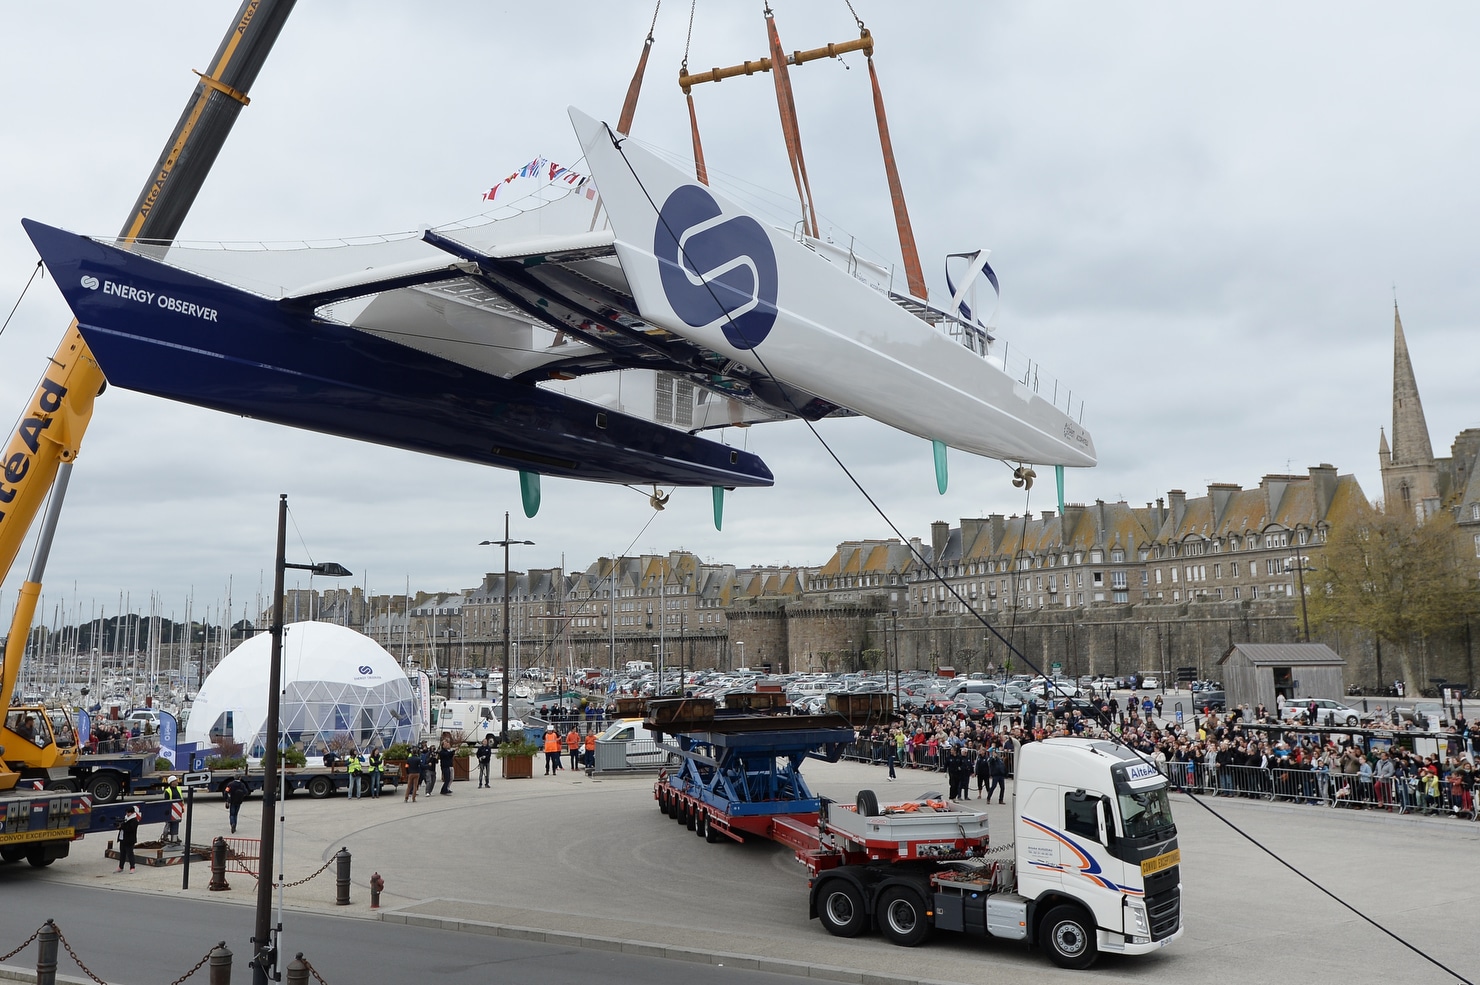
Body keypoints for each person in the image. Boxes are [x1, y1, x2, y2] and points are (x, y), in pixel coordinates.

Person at [116, 805, 141, 873]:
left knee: (130, 854)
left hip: (129, 840)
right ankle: (120, 867)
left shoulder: (134, 820)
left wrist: (122, 826)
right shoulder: (125, 818)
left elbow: (130, 829)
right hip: (122, 838)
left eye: (128, 812)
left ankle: (132, 867)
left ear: (132, 813)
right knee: (122, 854)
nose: (127, 814)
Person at [162, 775, 184, 845]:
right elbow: (166, 802)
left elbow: (181, 798)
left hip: (178, 809)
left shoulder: (178, 789)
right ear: (172, 782)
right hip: (171, 809)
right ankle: (165, 837)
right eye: (175, 781)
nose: (177, 781)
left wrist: (182, 807)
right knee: (168, 824)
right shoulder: (168, 791)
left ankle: (175, 836)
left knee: (176, 823)